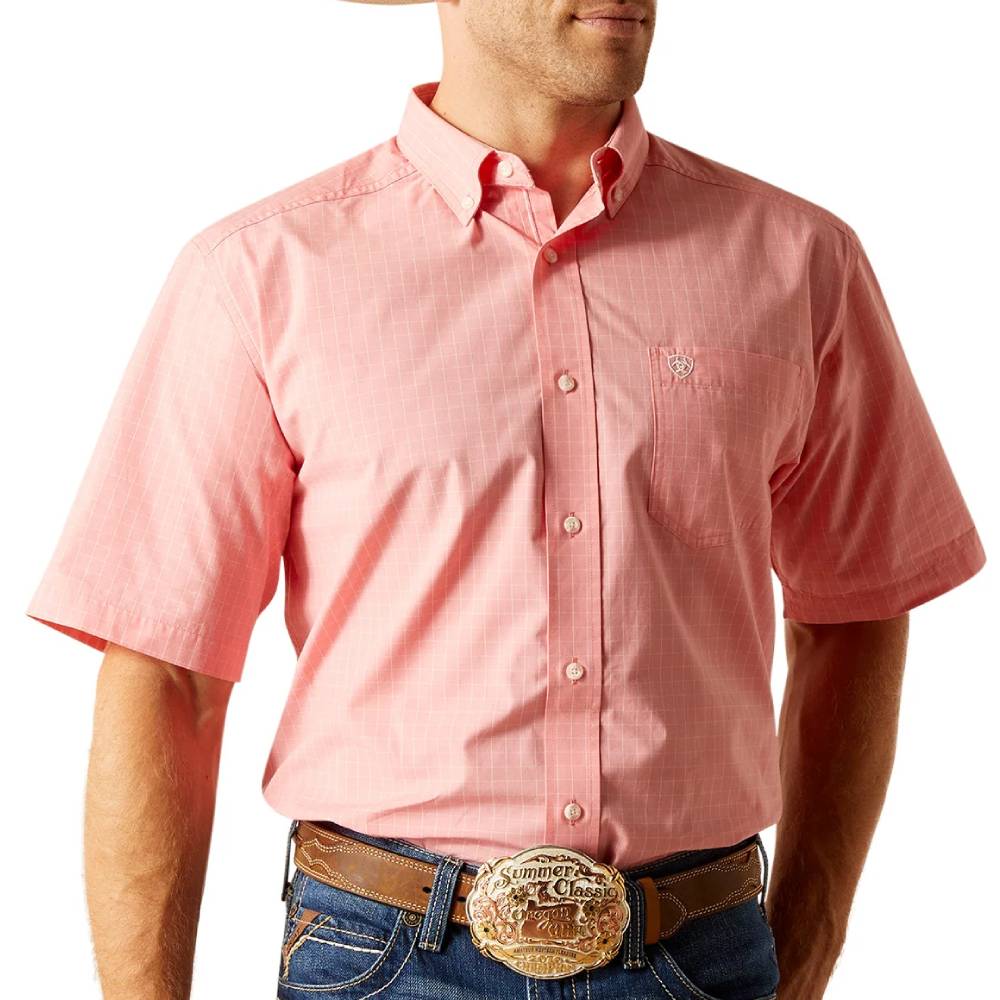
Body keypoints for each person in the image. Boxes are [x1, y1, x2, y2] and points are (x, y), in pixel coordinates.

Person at [25, 1, 986, 998]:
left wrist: (803, 957)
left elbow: (857, 607)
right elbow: (168, 678)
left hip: (701, 957)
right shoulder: (264, 274)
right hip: (383, 959)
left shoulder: (800, 262)